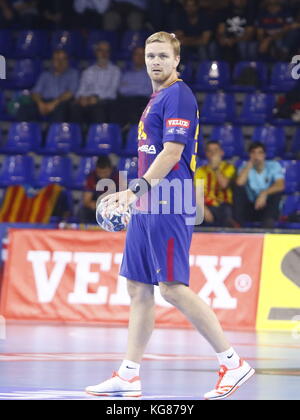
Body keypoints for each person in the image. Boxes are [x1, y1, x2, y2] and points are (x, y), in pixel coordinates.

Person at [85, 32, 254, 400]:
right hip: (148, 203)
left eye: (163, 55)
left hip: (170, 201)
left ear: (177, 60)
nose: (156, 61)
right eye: (150, 55)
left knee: (173, 288)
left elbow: (173, 153)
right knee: (138, 287)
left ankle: (233, 363)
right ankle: (128, 374)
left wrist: (133, 190)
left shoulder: (178, 94)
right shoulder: (157, 97)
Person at [17, 50, 79, 122]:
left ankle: (54, 133)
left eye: (63, 59)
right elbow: (35, 92)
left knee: (62, 108)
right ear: (52, 61)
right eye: (57, 59)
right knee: (25, 108)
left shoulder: (73, 74)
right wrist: (40, 103)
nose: (60, 62)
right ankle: (29, 132)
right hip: (44, 102)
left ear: (67, 61)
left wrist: (53, 104)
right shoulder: (45, 75)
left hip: (62, 102)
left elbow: (70, 93)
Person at [234, 141, 285, 228]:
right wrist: (249, 165)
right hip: (251, 207)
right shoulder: (244, 168)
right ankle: (238, 224)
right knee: (238, 189)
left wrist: (264, 193)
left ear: (264, 155)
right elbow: (239, 183)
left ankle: (269, 223)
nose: (256, 156)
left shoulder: (274, 166)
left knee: (277, 192)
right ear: (249, 155)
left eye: (259, 152)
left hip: (268, 207)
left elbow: (280, 185)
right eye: (253, 152)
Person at [70, 41, 121, 124]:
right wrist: (81, 98)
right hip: (87, 101)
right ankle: (77, 135)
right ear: (96, 52)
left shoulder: (115, 71)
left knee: (99, 108)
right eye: (101, 50)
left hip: (104, 101)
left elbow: (112, 92)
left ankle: (98, 135)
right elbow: (81, 90)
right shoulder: (88, 71)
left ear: (109, 53)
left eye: (106, 51)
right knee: (74, 107)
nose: (104, 54)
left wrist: (96, 99)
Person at [194, 141, 236, 227]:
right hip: (206, 205)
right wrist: (204, 210)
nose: (213, 153)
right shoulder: (200, 171)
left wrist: (216, 168)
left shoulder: (229, 168)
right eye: (210, 151)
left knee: (227, 213)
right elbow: (197, 194)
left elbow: (224, 185)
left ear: (221, 152)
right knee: (196, 215)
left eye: (216, 150)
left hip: (224, 205)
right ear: (206, 154)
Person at [114, 47, 152, 126]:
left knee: (133, 105)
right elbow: (121, 90)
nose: (139, 57)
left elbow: (147, 91)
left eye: (142, 55)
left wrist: (130, 87)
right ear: (133, 57)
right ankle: (120, 133)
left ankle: (133, 132)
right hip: (126, 100)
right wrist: (138, 87)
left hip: (143, 101)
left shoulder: (151, 74)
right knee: (116, 105)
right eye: (137, 54)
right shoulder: (127, 74)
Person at [78, 155, 120, 224]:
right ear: (96, 170)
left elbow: (124, 199)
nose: (102, 176)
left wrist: (111, 206)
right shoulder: (91, 176)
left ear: (111, 169)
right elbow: (86, 201)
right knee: (82, 211)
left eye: (105, 172)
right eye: (100, 173)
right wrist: (98, 207)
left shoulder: (120, 176)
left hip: (114, 207)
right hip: (97, 207)